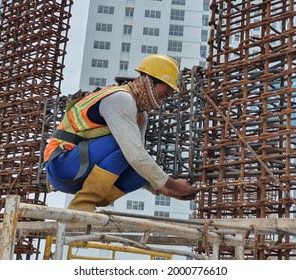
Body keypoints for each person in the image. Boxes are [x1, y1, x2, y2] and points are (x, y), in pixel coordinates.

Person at [44, 54, 198, 212]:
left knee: (141, 173)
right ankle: (82, 205)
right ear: (149, 80)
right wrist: (172, 184)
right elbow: (133, 154)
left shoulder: (140, 115)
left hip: (81, 173)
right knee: (127, 147)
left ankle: (88, 203)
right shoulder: (120, 99)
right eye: (163, 94)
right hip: (62, 164)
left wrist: (162, 189)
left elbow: (136, 161)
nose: (162, 101)